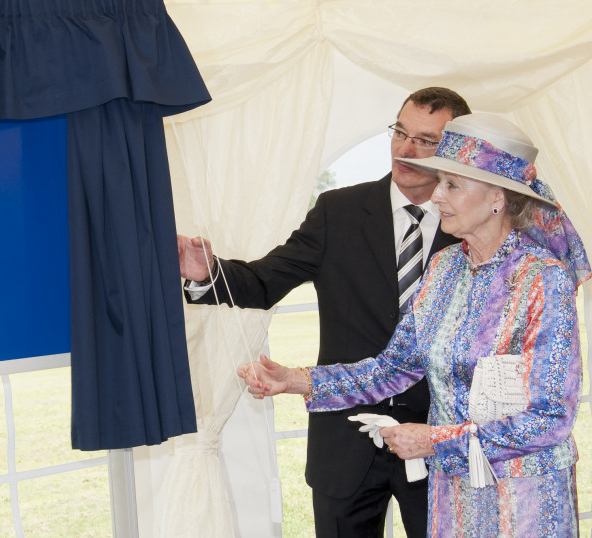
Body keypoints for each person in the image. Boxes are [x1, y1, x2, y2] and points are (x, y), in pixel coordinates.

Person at [237, 113, 591, 536]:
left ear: (497, 196)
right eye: (440, 181)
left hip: (525, 500)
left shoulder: (541, 279)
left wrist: (434, 441)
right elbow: (394, 368)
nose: (436, 195)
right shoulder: (443, 269)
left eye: (451, 184)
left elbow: (551, 417)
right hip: (454, 497)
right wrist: (296, 380)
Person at [178, 87, 470, 537]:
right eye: (400, 132)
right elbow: (265, 279)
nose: (406, 149)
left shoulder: (472, 227)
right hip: (344, 443)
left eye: (426, 140)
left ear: (456, 150)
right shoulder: (338, 211)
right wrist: (209, 273)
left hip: (438, 439)